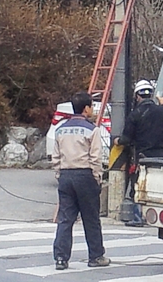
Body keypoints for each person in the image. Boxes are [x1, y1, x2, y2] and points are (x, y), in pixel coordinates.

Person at [51, 92, 110, 270]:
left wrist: (59, 173)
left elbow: (55, 156)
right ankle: (96, 256)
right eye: (91, 106)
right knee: (91, 218)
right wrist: (97, 176)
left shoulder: (61, 129)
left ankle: (61, 258)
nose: (92, 110)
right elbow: (95, 158)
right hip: (85, 176)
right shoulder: (92, 130)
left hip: (66, 176)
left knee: (65, 219)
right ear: (86, 109)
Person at [114, 79, 163, 226]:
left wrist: (117, 141)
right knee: (158, 186)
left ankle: (138, 217)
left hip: (142, 157)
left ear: (137, 96)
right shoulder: (161, 111)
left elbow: (127, 138)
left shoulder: (135, 114)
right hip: (160, 156)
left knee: (138, 186)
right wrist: (162, 104)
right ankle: (155, 216)